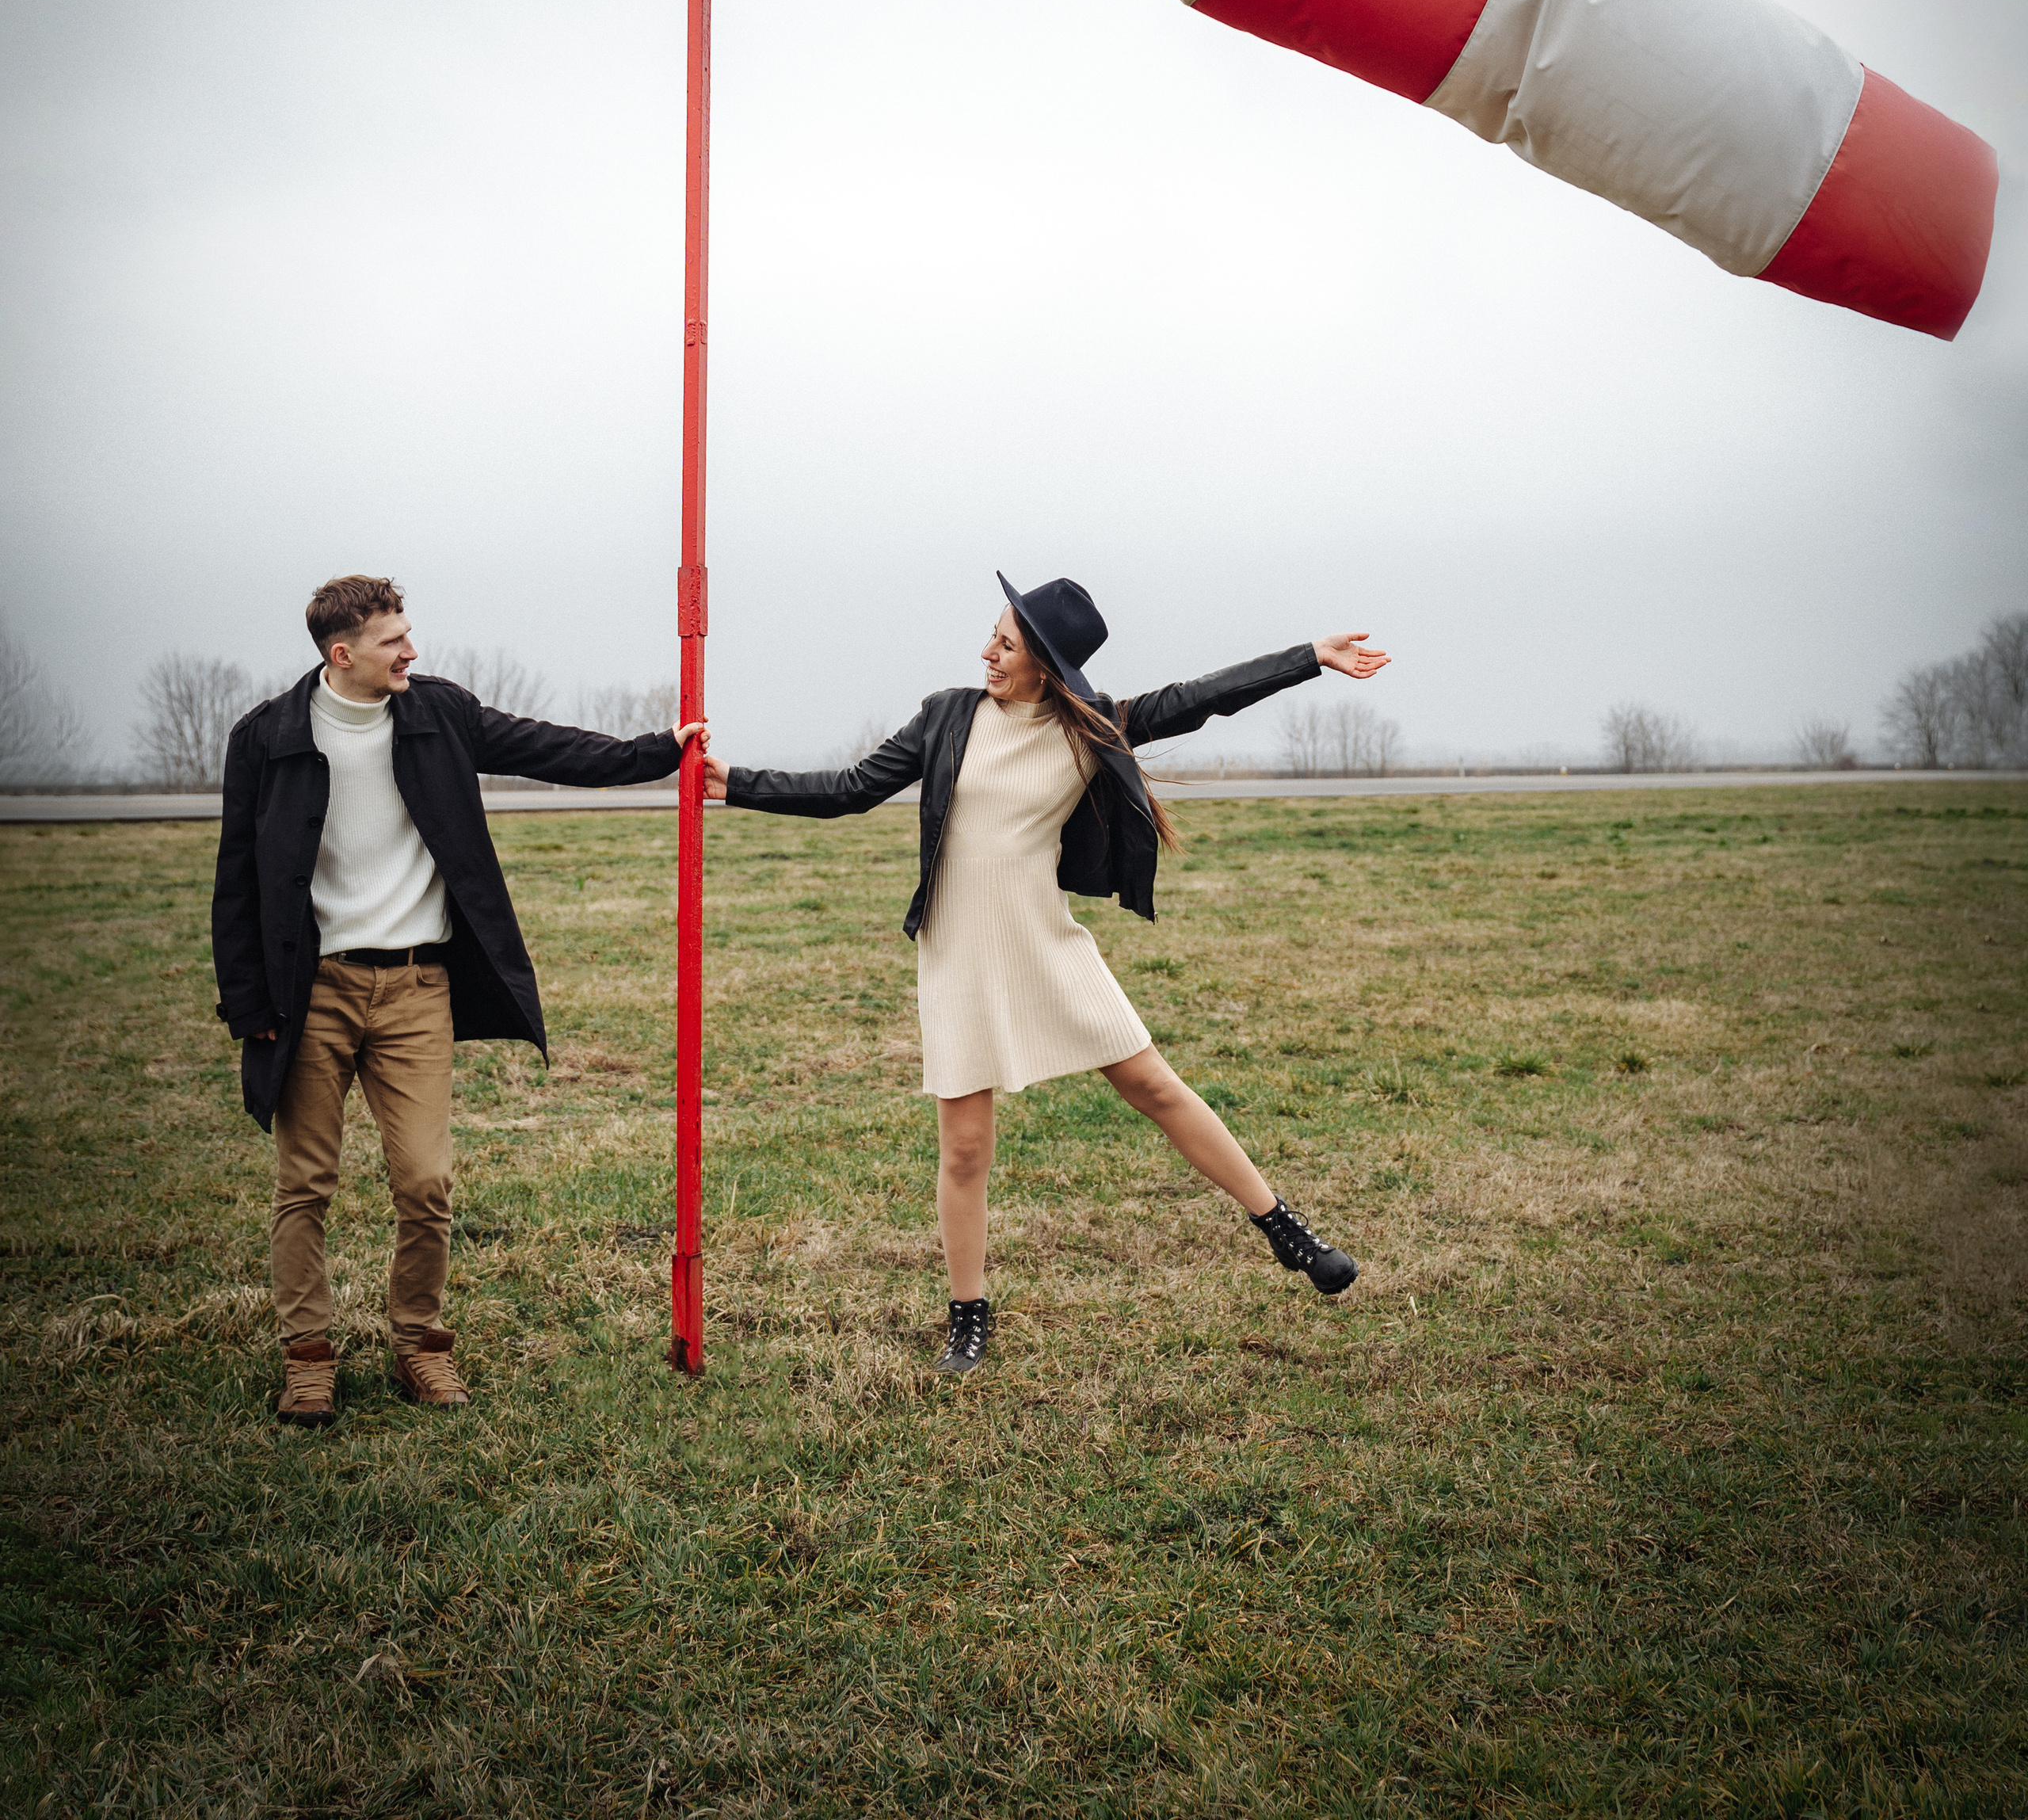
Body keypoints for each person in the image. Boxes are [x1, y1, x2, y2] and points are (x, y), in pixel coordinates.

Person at [700, 573, 1389, 1375]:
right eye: (992, 636)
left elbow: (1203, 697)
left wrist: (1309, 656)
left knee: (1155, 1085)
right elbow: (853, 789)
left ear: (1046, 663)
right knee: (965, 1149)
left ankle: (1281, 1226)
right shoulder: (947, 716)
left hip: (1045, 943)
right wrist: (737, 783)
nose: (986, 653)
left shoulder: (1092, 729)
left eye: (1005, 644)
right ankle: (968, 1316)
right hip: (959, 952)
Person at [211, 574, 706, 1427]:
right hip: (312, 991)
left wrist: (659, 749)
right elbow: (236, 879)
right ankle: (307, 1359)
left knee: (426, 1179)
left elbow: (547, 748)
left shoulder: (439, 713)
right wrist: (248, 1004)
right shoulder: (268, 737)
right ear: (342, 653)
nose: (411, 650)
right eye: (392, 639)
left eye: (408, 633)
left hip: (416, 985)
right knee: (306, 1182)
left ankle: (419, 1345)